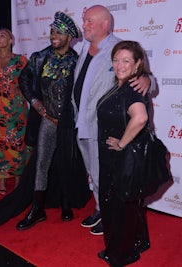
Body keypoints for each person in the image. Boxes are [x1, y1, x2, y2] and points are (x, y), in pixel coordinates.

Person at [71, 4, 156, 235]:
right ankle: (101, 208)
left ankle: (109, 216)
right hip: (83, 123)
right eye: (84, 20)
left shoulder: (118, 48)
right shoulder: (85, 49)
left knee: (105, 176)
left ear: (105, 24)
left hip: (104, 129)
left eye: (89, 20)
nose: (84, 24)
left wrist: (147, 80)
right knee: (94, 174)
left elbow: (142, 75)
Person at [15, 11, 87, 230]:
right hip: (47, 121)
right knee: (42, 163)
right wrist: (36, 103)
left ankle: (66, 203)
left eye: (59, 32)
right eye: (52, 31)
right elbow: (24, 80)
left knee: (67, 163)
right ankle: (37, 209)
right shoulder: (39, 57)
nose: (53, 35)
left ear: (70, 37)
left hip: (68, 124)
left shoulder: (78, 61)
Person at [96, 40, 151, 266]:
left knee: (116, 206)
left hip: (119, 157)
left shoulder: (131, 88)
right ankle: (138, 241)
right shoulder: (122, 85)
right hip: (120, 157)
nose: (120, 65)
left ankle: (120, 254)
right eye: (116, 59)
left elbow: (140, 117)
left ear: (137, 64)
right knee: (128, 203)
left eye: (126, 60)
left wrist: (121, 143)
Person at [0, 29, 32, 194]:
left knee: (17, 144)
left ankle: (18, 181)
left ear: (11, 40)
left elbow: (29, 83)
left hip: (17, 110)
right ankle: (2, 181)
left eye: (2, 35)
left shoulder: (21, 60)